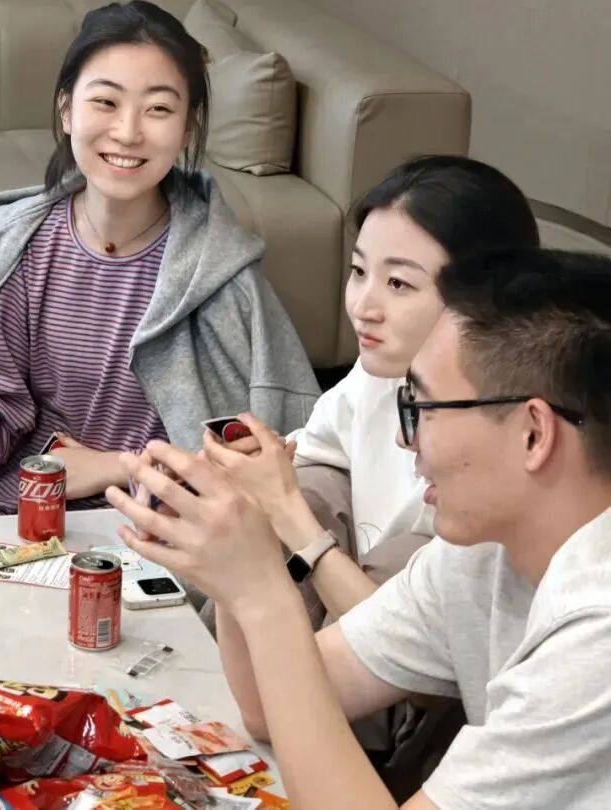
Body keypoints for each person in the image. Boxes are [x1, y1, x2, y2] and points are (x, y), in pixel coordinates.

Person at [108, 248, 611, 807]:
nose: (404, 439)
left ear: (533, 433)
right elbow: (267, 708)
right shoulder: (483, 552)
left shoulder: (598, 633)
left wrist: (263, 595)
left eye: (422, 408)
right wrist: (235, 556)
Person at [0, 0, 318, 516]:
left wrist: (121, 467)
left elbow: (274, 461)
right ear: (66, 110)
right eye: (105, 102)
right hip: (13, 523)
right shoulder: (17, 252)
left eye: (159, 109)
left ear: (189, 129)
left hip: (166, 536)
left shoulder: (224, 280)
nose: (127, 132)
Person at [268, 155, 539, 625]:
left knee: (399, 556)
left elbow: (386, 631)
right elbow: (315, 447)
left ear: (485, 296)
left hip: (420, 629)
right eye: (358, 271)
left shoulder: (500, 430)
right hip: (372, 597)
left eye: (398, 283)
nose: (363, 306)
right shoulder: (383, 367)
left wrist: (289, 515)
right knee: (308, 490)